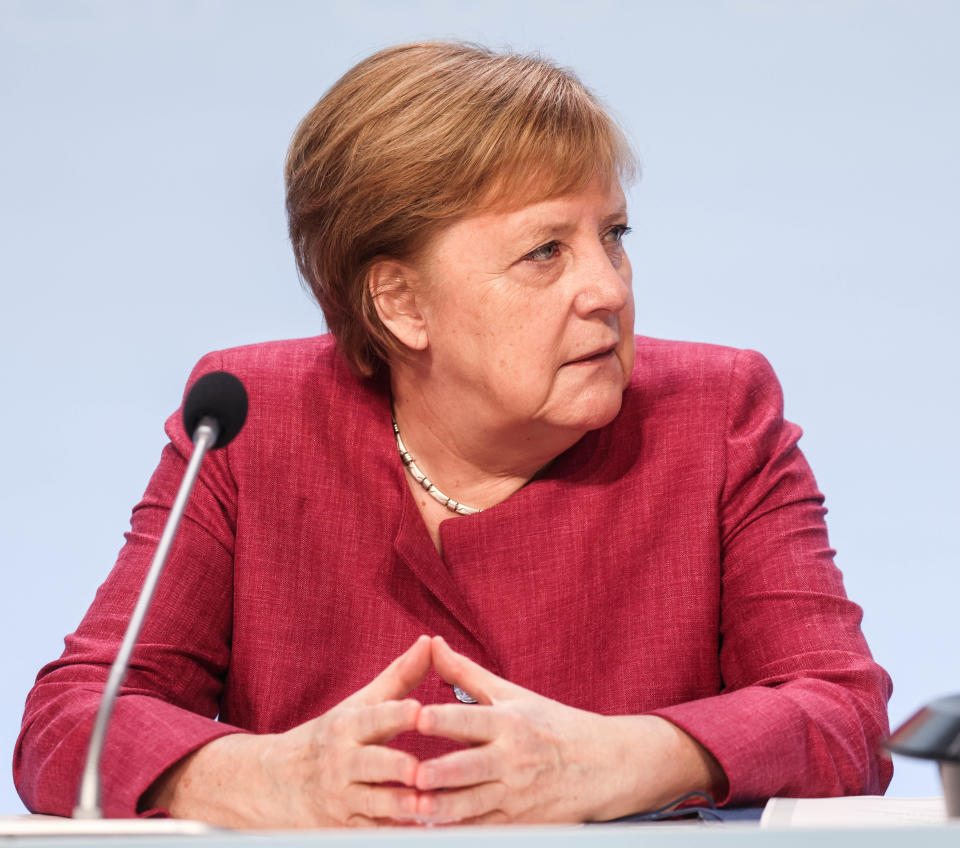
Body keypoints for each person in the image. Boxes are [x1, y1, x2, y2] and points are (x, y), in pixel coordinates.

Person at [14, 41, 892, 827]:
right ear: (400, 303)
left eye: (612, 236)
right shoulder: (253, 418)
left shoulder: (717, 412)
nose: (609, 289)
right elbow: (69, 723)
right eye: (545, 251)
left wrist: (629, 760)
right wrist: (254, 774)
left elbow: (845, 718)